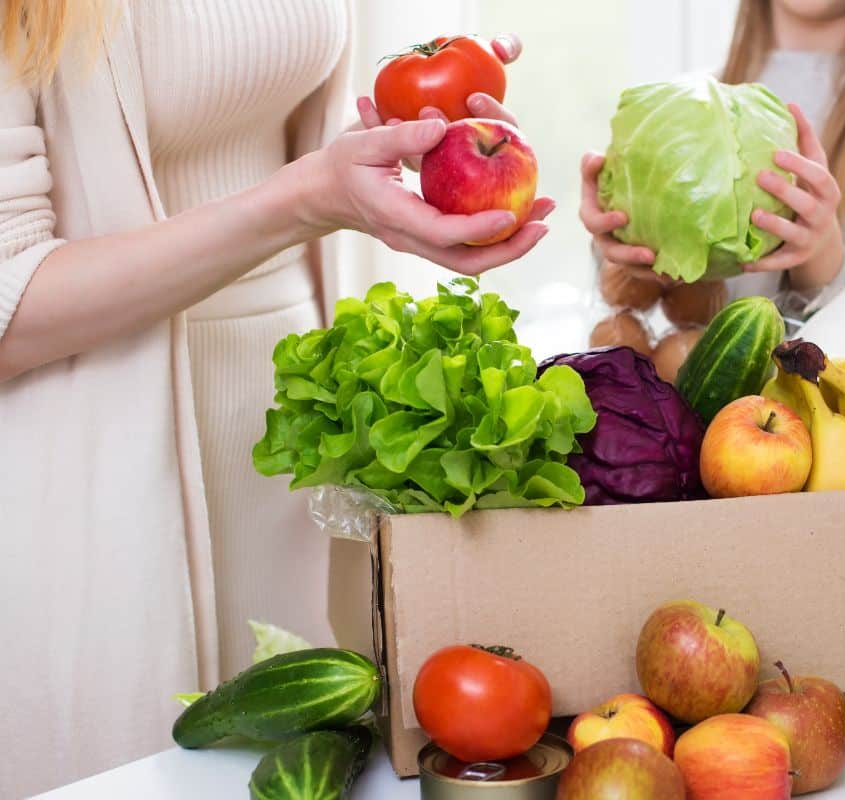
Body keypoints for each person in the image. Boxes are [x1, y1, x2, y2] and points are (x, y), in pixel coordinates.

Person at [0, 2, 547, 795]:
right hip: (92, 472)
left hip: (293, 439)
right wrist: (307, 201)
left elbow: (281, 116)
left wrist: (422, 134)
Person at [581, 0, 845, 392]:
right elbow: (636, 299)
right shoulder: (698, 92)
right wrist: (619, 228)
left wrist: (817, 247)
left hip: (816, 435)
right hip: (694, 432)